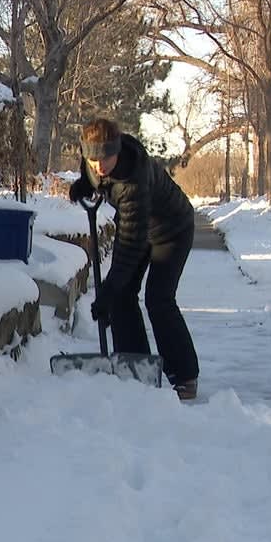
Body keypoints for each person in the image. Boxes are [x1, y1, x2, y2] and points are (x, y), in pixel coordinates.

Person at [69, 117, 200, 400]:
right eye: (93, 160)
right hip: (138, 228)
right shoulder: (94, 160)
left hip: (172, 230)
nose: (100, 166)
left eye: (106, 158)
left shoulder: (134, 180)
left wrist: (109, 289)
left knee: (159, 299)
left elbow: (129, 245)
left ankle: (185, 376)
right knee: (121, 297)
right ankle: (134, 368)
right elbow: (92, 171)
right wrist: (84, 183)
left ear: (117, 151)